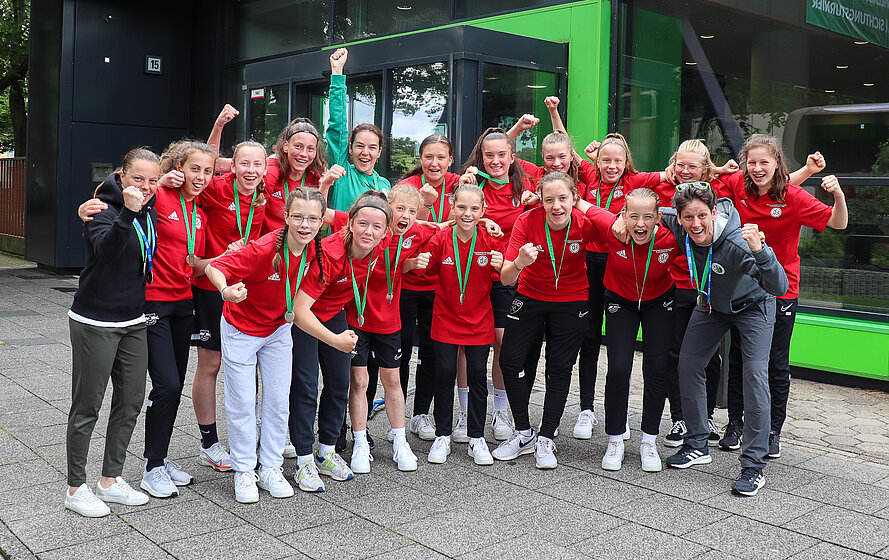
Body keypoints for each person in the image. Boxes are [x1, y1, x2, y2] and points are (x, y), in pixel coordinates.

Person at [720, 136, 846, 458]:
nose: (757, 168)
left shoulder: (794, 196)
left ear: (777, 162)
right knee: (739, 358)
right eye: (752, 162)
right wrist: (719, 167)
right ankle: (735, 423)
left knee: (774, 363)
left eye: (765, 162)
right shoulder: (739, 184)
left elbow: (838, 222)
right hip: (742, 288)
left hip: (781, 290)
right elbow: (705, 180)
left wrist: (838, 194)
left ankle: (773, 431)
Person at [660, 183, 787, 497]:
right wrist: (624, 217)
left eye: (703, 215)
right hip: (712, 305)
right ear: (679, 217)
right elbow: (649, 211)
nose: (696, 224)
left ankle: (754, 465)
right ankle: (697, 442)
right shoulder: (677, 222)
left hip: (754, 307)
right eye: (688, 217)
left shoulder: (737, 243)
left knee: (754, 376)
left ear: (714, 213)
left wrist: (761, 251)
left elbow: (779, 286)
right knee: (687, 364)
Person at [205, 187, 325, 503]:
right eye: (297, 216)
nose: (305, 225)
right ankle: (245, 470)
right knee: (242, 401)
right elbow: (214, 267)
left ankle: (271, 467)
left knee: (276, 399)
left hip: (278, 329)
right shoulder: (263, 248)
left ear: (321, 222)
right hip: (240, 328)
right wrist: (225, 290)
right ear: (285, 217)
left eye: (312, 218)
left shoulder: (316, 251)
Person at [493, 172, 614, 469]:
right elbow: (506, 277)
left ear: (574, 198)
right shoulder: (528, 221)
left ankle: (546, 437)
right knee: (509, 361)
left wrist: (583, 206)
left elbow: (616, 227)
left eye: (563, 198)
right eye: (549, 200)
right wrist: (521, 261)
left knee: (559, 369)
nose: (556, 207)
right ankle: (524, 433)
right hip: (531, 295)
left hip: (572, 300)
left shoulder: (583, 221)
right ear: (541, 201)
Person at [64, 148, 158, 517]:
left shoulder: (148, 202)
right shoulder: (102, 209)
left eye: (152, 180)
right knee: (88, 405)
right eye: (138, 179)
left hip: (133, 320)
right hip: (95, 321)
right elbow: (106, 253)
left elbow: (197, 173)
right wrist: (129, 213)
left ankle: (110, 480)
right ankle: (75, 486)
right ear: (121, 176)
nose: (145, 187)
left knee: (132, 399)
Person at [291, 195, 392, 485]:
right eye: (362, 224)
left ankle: (326, 452)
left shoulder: (379, 243)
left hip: (333, 311)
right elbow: (299, 310)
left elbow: (416, 222)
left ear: (385, 232)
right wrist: (335, 340)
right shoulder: (331, 255)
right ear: (349, 224)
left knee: (339, 383)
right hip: (304, 316)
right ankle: (303, 459)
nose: (368, 232)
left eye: (376, 227)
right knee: (307, 386)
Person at [578, 188, 678, 472]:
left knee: (656, 368)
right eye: (633, 216)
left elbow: (703, 225)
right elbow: (583, 205)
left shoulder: (670, 238)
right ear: (623, 216)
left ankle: (649, 440)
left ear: (659, 218)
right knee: (619, 368)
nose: (640, 224)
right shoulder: (614, 230)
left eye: (648, 217)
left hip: (659, 302)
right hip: (620, 301)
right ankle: (615, 439)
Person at [574, 133, 666, 441]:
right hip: (591, 264)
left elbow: (674, 174)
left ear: (627, 162)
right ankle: (587, 409)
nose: (611, 165)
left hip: (621, 265)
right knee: (589, 339)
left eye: (618, 160)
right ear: (595, 162)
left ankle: (623, 416)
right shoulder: (588, 176)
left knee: (631, 354)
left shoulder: (636, 183)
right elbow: (569, 161)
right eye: (605, 160)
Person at [338, 186, 436, 473]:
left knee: (392, 381)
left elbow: (445, 226)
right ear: (388, 208)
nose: (405, 215)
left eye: (411, 211)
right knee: (359, 381)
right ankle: (359, 442)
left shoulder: (415, 233)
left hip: (389, 322)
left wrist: (484, 223)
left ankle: (399, 440)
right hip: (357, 320)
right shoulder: (370, 231)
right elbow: (334, 218)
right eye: (400, 209)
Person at [139, 141, 213, 496]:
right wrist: (157, 184)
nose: (200, 177)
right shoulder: (160, 195)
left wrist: (221, 261)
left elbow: (194, 262)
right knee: (166, 384)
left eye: (208, 171)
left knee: (175, 386)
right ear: (178, 167)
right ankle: (151, 467)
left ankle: (161, 457)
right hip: (153, 301)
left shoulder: (198, 208)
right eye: (194, 169)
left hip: (184, 303)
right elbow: (120, 188)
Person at [189, 140, 268, 472]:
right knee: (211, 363)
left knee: (247, 361)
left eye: (257, 165)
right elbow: (199, 165)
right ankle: (209, 443)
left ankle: (247, 438)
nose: (250, 171)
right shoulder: (216, 187)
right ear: (231, 166)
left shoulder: (264, 196)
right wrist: (220, 127)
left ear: (265, 169)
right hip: (209, 285)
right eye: (244, 164)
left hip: (244, 288)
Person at [459, 128, 537, 441]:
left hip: (509, 277)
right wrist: (479, 221)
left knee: (503, 342)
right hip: (472, 274)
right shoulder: (471, 183)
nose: (495, 160)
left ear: (512, 157)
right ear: (481, 158)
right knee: (467, 345)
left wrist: (534, 204)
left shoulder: (525, 186)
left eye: (501, 154)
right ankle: (465, 415)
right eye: (489, 155)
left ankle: (500, 412)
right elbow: (458, 215)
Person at [424, 184, 504, 465]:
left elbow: (505, 275)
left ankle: (476, 437)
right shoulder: (441, 239)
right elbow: (428, 267)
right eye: (461, 207)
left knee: (478, 377)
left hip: (479, 320)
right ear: (452, 207)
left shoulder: (490, 240)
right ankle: (442, 435)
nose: (467, 213)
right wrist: (419, 261)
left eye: (474, 209)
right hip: (445, 318)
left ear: (483, 211)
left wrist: (503, 262)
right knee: (444, 373)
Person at [394, 134, 460, 441]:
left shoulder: (459, 184)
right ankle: (399, 416)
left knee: (432, 351)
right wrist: (423, 207)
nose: (435, 163)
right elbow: (401, 230)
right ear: (420, 159)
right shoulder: (407, 187)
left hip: (440, 285)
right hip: (406, 281)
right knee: (403, 348)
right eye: (428, 157)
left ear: (450, 160)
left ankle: (421, 414)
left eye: (441, 157)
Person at [326, 47, 391, 212]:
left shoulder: (384, 185)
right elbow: (337, 128)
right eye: (359, 146)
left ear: (380, 151)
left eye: (372, 148)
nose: (365, 152)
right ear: (350, 147)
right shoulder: (342, 175)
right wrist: (337, 73)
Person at [261, 118, 329, 234]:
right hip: (269, 247)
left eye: (310, 149)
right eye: (298, 146)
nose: (303, 154)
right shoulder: (273, 170)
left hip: (299, 248)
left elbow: (321, 224)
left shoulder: (316, 178)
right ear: (286, 146)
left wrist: (325, 185)